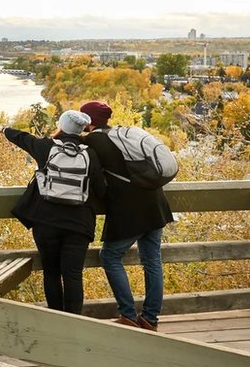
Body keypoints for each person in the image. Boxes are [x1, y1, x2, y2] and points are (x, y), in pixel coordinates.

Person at [0, 111, 106, 314]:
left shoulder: (47, 147)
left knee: (51, 273)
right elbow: (101, 189)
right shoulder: (90, 154)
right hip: (78, 224)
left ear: (61, 126)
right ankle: (74, 324)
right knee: (73, 275)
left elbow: (23, 138)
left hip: (46, 221)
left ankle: (55, 320)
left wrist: (2, 129)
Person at [80, 101, 174, 331]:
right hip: (156, 204)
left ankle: (128, 315)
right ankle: (150, 319)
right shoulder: (120, 135)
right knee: (152, 261)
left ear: (89, 121)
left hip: (130, 210)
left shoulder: (93, 141)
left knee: (110, 256)